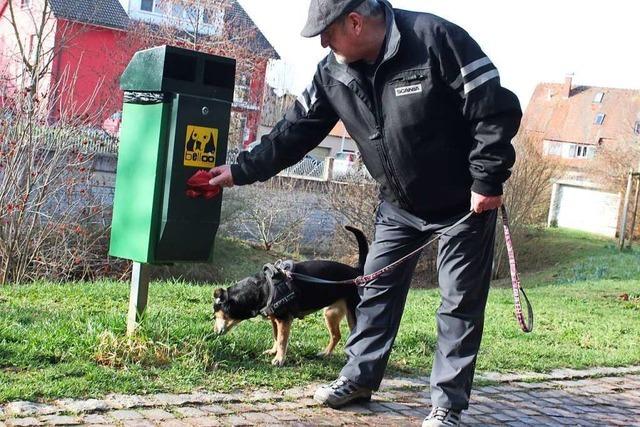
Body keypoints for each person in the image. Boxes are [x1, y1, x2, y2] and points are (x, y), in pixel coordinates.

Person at [208, 0, 522, 425]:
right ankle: (358, 378)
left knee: (458, 305)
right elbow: (293, 132)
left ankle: (446, 406)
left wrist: (487, 179)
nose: (322, 42)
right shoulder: (332, 72)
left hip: (462, 206)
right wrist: (240, 170)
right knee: (375, 294)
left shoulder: (434, 39)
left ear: (355, 22)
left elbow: (494, 107)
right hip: (399, 206)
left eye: (326, 32)